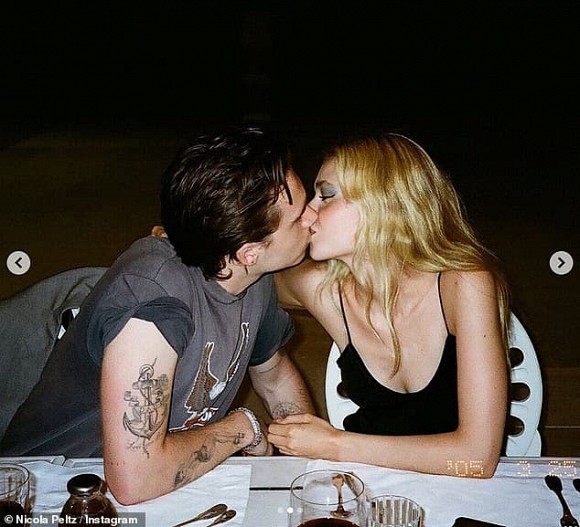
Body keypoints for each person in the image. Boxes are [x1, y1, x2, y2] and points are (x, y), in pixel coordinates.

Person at [0, 127, 316, 503]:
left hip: (157, 482)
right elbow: (135, 482)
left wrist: (313, 467)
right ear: (248, 252)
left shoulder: (251, 277)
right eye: (299, 216)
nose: (313, 216)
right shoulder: (154, 303)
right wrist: (241, 427)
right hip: (55, 488)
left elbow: (275, 377)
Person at [268, 132, 510, 478]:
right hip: (368, 487)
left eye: (326, 195)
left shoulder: (462, 283)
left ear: (383, 204)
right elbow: (244, 271)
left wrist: (334, 444)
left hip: (457, 491)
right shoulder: (324, 289)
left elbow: (477, 460)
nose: (307, 214)